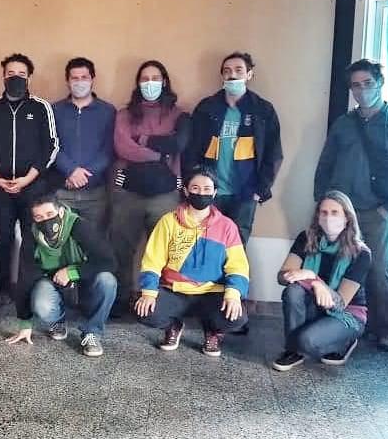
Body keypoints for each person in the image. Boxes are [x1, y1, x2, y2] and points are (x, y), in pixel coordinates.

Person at [314, 59, 388, 351]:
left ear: (380, 83)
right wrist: (322, 201)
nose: (362, 90)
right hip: (341, 213)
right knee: (335, 266)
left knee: (379, 270)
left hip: (376, 211)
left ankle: (385, 328)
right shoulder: (343, 124)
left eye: (367, 83)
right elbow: (325, 164)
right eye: (355, 85)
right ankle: (335, 322)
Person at [134, 165, 249, 357]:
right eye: (195, 188)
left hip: (212, 292)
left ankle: (212, 330)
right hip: (174, 290)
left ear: (214, 192)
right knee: (143, 311)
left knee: (237, 318)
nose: (201, 193)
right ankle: (173, 325)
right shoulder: (168, 221)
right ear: (186, 190)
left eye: (207, 189)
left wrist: (233, 295)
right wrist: (148, 293)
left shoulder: (227, 226)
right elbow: (152, 261)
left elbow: (238, 266)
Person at [0, 53, 59, 305]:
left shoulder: (41, 107)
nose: (16, 78)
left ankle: (28, 288)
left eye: (21, 74)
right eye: (11, 74)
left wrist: (26, 179)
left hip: (33, 186)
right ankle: (1, 289)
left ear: (29, 77)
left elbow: (51, 147)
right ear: (3, 77)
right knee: (2, 238)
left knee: (32, 238)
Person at [108, 60, 190, 315]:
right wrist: (159, 153)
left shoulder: (179, 115)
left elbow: (177, 145)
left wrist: (143, 139)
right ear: (138, 83)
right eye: (145, 79)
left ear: (164, 82)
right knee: (121, 249)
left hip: (165, 194)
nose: (150, 83)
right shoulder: (124, 115)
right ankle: (120, 299)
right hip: (127, 192)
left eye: (155, 78)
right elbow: (124, 147)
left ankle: (159, 301)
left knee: (165, 251)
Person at [185, 51, 283, 245]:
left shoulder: (263, 110)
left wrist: (260, 190)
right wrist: (192, 183)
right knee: (205, 245)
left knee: (236, 247)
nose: (232, 75)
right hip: (209, 192)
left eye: (239, 70)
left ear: (249, 74)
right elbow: (191, 148)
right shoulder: (207, 108)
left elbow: (273, 154)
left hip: (245, 194)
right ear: (222, 75)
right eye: (227, 71)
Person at [271, 191, 373, 371]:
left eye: (335, 213)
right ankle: (293, 350)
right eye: (324, 212)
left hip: (347, 313)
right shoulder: (306, 238)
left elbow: (340, 303)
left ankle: (344, 341)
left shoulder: (361, 253)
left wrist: (314, 279)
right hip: (315, 304)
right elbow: (283, 276)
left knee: (306, 341)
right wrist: (313, 281)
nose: (328, 218)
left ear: (347, 218)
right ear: (317, 216)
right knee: (292, 291)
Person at [4, 195, 117, 357]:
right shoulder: (31, 235)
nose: (46, 221)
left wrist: (72, 272)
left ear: (61, 212)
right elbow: (25, 277)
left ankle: (92, 332)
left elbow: (109, 261)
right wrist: (25, 323)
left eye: (50, 214)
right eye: (39, 217)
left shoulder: (80, 227)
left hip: (85, 280)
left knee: (107, 280)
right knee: (42, 304)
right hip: (52, 282)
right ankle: (58, 322)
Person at [50, 57, 116, 228]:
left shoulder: (108, 111)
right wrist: (70, 170)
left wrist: (84, 175)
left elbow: (109, 149)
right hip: (61, 191)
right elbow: (50, 145)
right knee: (61, 241)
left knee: (94, 240)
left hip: (96, 193)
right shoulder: (54, 110)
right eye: (75, 78)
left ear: (92, 79)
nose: (80, 82)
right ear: (67, 81)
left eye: (84, 77)